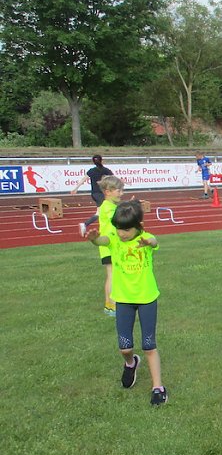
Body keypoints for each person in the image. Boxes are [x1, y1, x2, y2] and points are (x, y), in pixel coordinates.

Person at [85, 200, 167, 406]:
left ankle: (158, 387)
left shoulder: (145, 238)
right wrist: (94, 240)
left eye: (127, 229)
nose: (122, 233)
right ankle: (131, 363)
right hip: (123, 299)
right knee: (124, 347)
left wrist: (149, 243)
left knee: (149, 344)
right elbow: (103, 240)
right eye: (119, 228)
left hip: (147, 298)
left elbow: (154, 241)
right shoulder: (114, 237)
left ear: (138, 225)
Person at [93, 176, 125, 316]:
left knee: (112, 274)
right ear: (108, 191)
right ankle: (112, 305)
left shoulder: (109, 206)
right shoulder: (107, 207)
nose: (121, 193)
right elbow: (119, 220)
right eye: (119, 190)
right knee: (112, 274)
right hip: (109, 245)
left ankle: (110, 304)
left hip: (110, 245)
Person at [71, 154, 114, 235]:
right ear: (102, 160)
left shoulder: (91, 171)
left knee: (104, 211)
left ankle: (105, 228)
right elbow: (115, 178)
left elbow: (83, 179)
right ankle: (85, 224)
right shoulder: (105, 170)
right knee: (101, 212)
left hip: (94, 194)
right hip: (101, 194)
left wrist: (76, 188)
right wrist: (123, 182)